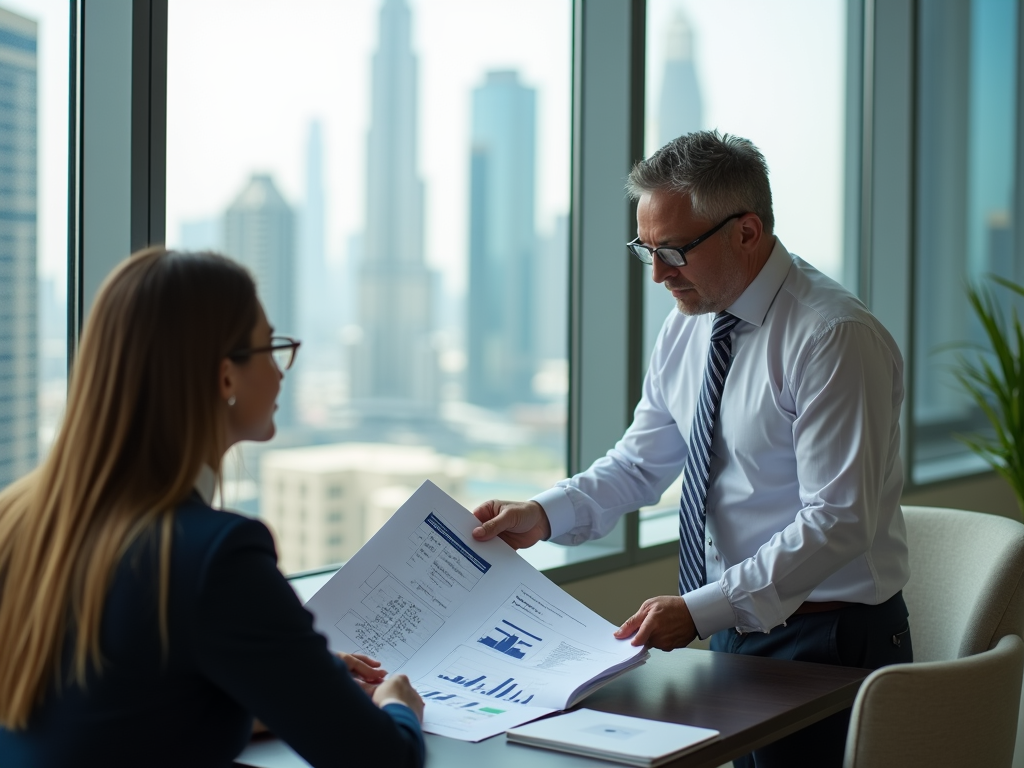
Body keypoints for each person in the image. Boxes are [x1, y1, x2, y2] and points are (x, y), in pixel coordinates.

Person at [472, 130, 911, 768]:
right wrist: (541, 515)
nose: (658, 275)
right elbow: (641, 460)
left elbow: (837, 521)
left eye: (674, 250)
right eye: (646, 250)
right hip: (739, 624)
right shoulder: (689, 325)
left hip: (831, 639)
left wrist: (703, 610)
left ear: (747, 231)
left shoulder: (832, 338)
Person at [0, 248, 425, 768]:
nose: (280, 371)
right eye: (269, 348)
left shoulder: (15, 518)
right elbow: (385, 761)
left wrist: (281, 683)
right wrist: (397, 705)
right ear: (226, 378)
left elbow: (108, 714)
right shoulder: (214, 556)